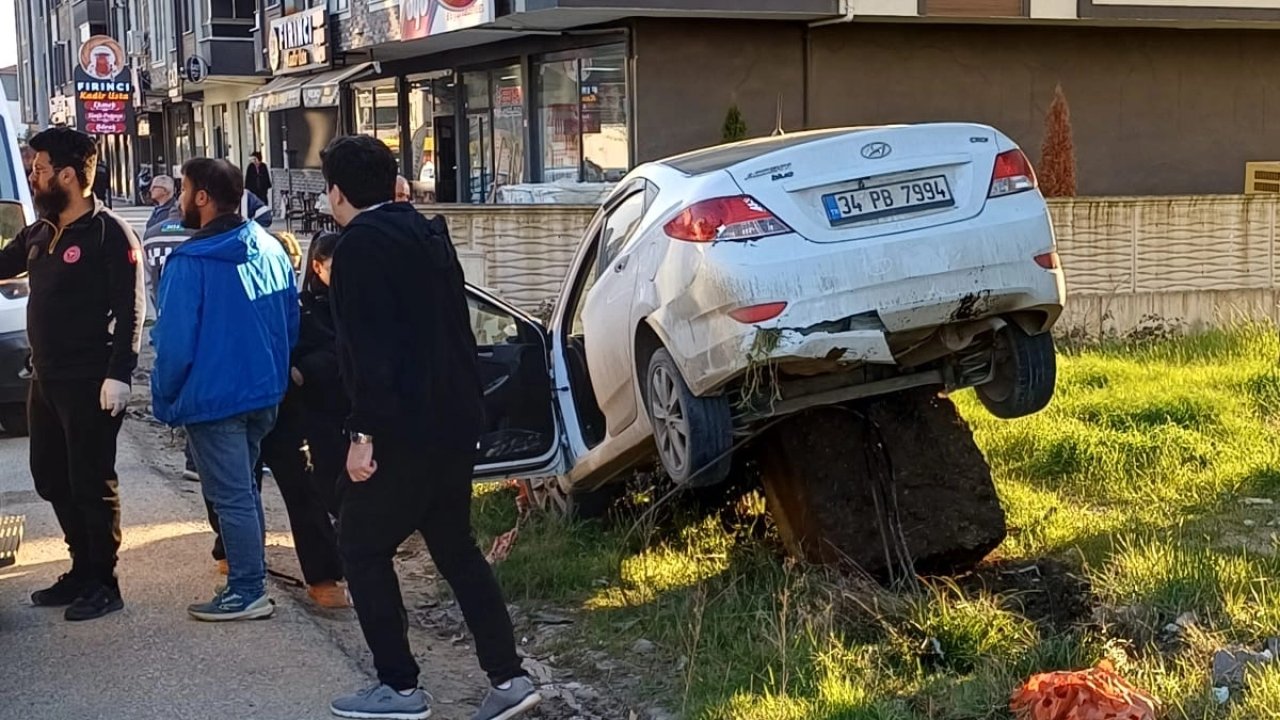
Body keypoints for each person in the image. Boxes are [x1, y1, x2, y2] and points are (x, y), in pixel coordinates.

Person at [322, 135, 540, 720]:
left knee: (360, 545)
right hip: (454, 419)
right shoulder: (426, 232)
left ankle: (398, 687)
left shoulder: (359, 248)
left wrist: (361, 435)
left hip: (401, 428)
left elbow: (371, 352)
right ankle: (509, 676)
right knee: (455, 547)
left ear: (336, 192)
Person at [0, 127, 145, 621]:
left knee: (91, 480)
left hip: (91, 381)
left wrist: (120, 373)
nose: (34, 177)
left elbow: (131, 309)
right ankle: (80, 568)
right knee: (50, 476)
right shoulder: (40, 233)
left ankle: (104, 581)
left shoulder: (109, 233)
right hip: (46, 379)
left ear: (68, 175)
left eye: (40, 169)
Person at [151, 157, 298, 622]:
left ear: (202, 197)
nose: (177, 200)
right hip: (263, 392)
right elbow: (288, 322)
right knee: (244, 490)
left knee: (232, 495)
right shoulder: (271, 248)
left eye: (183, 190)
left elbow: (174, 343)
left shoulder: (190, 262)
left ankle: (248, 588)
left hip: (214, 400)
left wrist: (165, 397)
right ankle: (249, 578)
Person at [255, 230, 348, 608]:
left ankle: (337, 570)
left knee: (330, 495)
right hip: (295, 410)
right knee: (295, 491)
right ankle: (322, 576)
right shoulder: (299, 306)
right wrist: (301, 371)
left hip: (342, 413)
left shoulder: (359, 305)